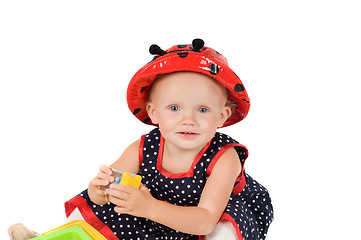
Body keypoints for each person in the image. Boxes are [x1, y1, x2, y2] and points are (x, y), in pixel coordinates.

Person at [10, 39, 273, 240]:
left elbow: (204, 220)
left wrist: (150, 207)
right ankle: (48, 237)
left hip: (202, 220)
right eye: (174, 108)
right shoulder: (143, 147)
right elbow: (102, 194)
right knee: (94, 206)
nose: (188, 119)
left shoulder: (224, 157)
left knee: (223, 230)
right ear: (153, 113)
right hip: (153, 213)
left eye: (203, 110)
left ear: (222, 116)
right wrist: (100, 189)